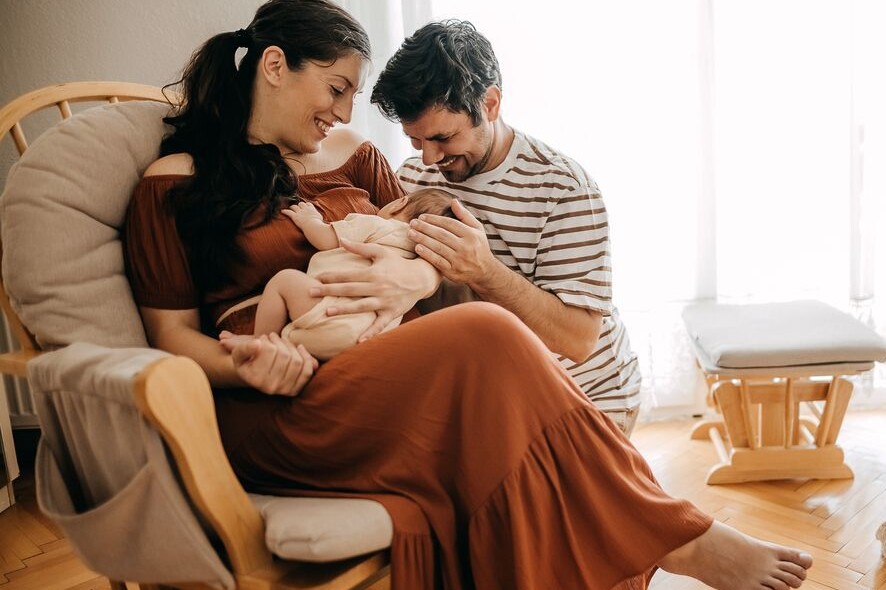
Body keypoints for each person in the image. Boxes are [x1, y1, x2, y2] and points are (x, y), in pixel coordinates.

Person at [123, 1, 813, 588]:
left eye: (352, 96)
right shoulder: (175, 182)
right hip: (285, 394)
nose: (344, 111)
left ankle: (657, 540)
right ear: (275, 66)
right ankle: (675, 536)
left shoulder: (365, 159)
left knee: (493, 377)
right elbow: (171, 336)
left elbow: (415, 243)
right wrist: (245, 363)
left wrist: (422, 276)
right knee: (487, 332)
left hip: (425, 371)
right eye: (336, 88)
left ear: (490, 105)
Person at [370, 20, 643, 435]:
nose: (428, 158)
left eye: (443, 137)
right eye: (415, 140)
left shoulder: (564, 189)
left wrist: (483, 270)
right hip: (493, 398)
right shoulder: (411, 179)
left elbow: (578, 340)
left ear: (491, 104)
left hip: (584, 400)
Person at [219, 188, 456, 360]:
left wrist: (310, 219)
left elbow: (325, 239)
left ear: (399, 203)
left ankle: (263, 340)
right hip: (370, 338)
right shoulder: (420, 255)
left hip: (330, 314)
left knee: (284, 281)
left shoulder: (377, 224)